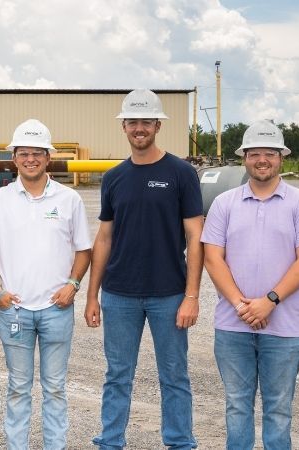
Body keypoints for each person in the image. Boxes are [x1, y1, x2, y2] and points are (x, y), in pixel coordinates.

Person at [85, 88, 202, 450]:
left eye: (146, 122)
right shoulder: (114, 177)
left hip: (169, 293)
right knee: (118, 375)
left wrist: (192, 296)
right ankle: (111, 440)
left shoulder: (181, 173)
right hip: (119, 294)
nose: (139, 128)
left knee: (174, 375)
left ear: (157, 125)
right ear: (124, 126)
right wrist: (92, 294)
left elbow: (196, 236)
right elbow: (104, 237)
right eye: (132, 122)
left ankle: (180, 442)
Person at [201, 120, 299, 450]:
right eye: (254, 153)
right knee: (237, 406)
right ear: (244, 158)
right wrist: (243, 305)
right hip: (233, 326)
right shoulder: (224, 204)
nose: (261, 160)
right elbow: (213, 259)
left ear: (281, 157)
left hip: (285, 328)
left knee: (279, 411)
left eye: (269, 153)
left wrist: (269, 301)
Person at [0, 119, 92, 450]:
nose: (30, 159)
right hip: (15, 311)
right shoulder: (0, 199)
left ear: (48, 157)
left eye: (37, 153)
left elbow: (84, 250)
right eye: (23, 153)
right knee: (18, 388)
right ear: (15, 158)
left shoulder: (69, 200)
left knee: (54, 387)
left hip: (57, 309)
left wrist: (73, 284)